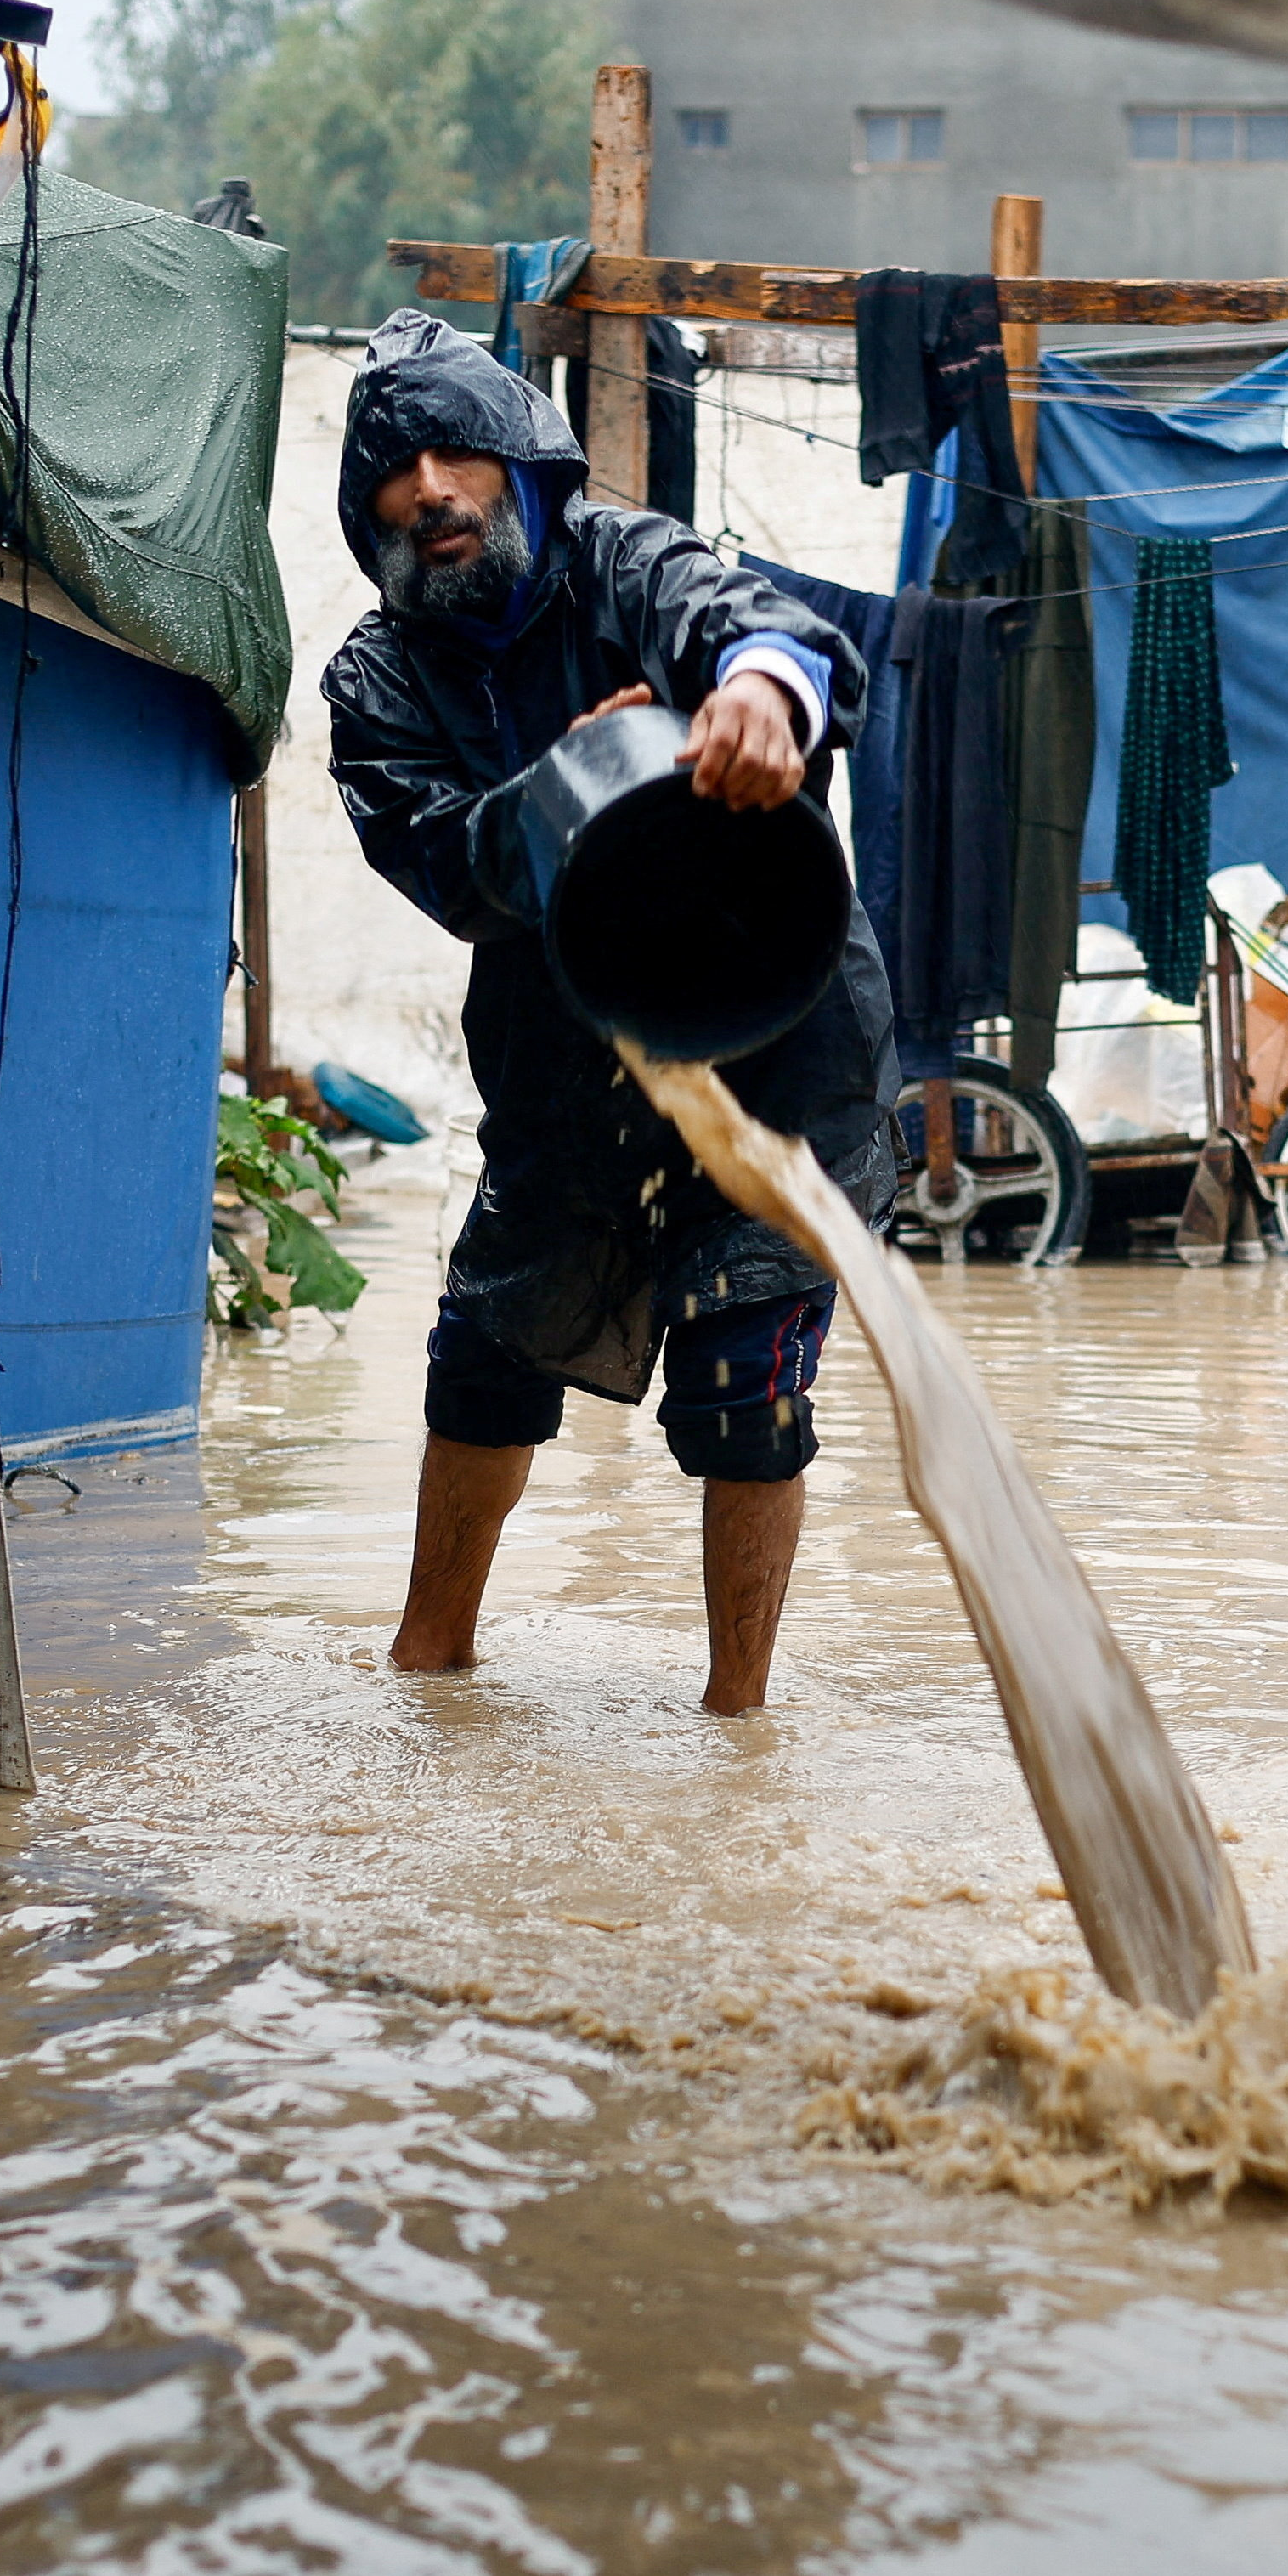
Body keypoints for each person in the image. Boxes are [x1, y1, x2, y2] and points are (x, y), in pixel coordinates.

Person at [320, 308, 890, 1715]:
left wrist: (762, 688)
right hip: (563, 1056)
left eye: (459, 451)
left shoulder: (628, 563)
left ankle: (738, 1725)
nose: (433, 489)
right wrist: (567, 786)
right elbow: (449, 865)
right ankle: (427, 1666)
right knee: (484, 1355)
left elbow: (758, 624)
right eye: (398, 474)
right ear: (371, 518)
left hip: (773, 1037)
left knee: (747, 1387)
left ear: (522, 465)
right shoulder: (375, 681)